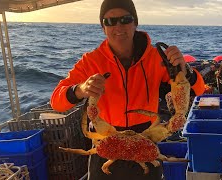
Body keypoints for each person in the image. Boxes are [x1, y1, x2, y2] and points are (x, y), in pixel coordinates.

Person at [50, 0, 204, 179]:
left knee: (177, 121)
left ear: (135, 23)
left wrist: (186, 70)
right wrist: (79, 89)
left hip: (146, 140)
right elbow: (57, 103)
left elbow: (199, 90)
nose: (118, 26)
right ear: (103, 27)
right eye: (110, 21)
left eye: (125, 19)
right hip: (106, 142)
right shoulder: (90, 62)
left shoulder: (158, 59)